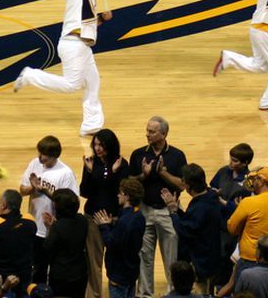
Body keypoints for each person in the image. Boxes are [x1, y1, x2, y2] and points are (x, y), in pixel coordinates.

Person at [14, 0, 111, 135]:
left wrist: (102, 18)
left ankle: (91, 124)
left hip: (82, 45)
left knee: (93, 81)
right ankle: (31, 75)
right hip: (72, 45)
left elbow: (87, 24)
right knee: (71, 85)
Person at [126, 118, 186, 298]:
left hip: (168, 211)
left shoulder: (177, 155)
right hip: (144, 211)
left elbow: (183, 185)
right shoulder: (138, 155)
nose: (147, 134)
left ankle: (171, 293)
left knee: (171, 257)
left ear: (164, 134)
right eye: (147, 130)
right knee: (144, 257)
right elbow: (129, 185)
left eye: (152, 132)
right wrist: (143, 175)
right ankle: (145, 294)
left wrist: (163, 173)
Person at [15, 137, 79, 282]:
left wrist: (46, 192)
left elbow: (71, 203)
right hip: (34, 225)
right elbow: (22, 190)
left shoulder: (66, 173)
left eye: (43, 155)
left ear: (53, 156)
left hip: (53, 229)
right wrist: (33, 187)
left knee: (53, 269)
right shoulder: (34, 164)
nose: (39, 157)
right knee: (36, 268)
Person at [161, 165, 223, 294]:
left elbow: (185, 230)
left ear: (189, 186)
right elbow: (193, 222)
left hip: (201, 261)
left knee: (202, 293)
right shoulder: (209, 197)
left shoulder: (200, 206)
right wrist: (177, 211)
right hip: (211, 258)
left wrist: (173, 212)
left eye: (184, 181)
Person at [79, 130, 125, 298]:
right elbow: (84, 191)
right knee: (93, 261)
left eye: (101, 145)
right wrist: (90, 172)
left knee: (116, 259)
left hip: (115, 218)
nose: (97, 148)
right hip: (93, 217)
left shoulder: (121, 164)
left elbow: (121, 192)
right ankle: (94, 295)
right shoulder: (91, 163)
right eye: (95, 144)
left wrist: (113, 173)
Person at [93, 177, 146, 298]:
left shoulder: (123, 222)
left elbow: (112, 244)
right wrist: (112, 224)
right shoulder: (139, 216)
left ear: (127, 196)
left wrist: (104, 226)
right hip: (131, 272)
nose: (118, 195)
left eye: (120, 193)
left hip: (119, 274)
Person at [42, 189, 86, 298]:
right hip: (80, 273)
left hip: (61, 275)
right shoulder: (83, 220)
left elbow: (46, 248)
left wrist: (49, 229)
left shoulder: (57, 227)